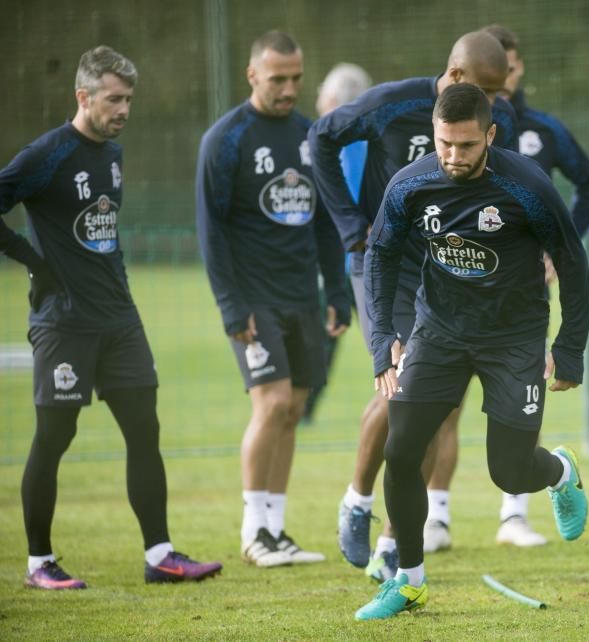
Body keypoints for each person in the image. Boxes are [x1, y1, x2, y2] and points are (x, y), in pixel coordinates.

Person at [355, 82, 589, 621]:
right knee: (401, 451)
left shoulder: (527, 185)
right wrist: (381, 339)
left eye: (465, 145)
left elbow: (573, 264)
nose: (454, 157)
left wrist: (569, 349)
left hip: (514, 339)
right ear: (432, 135)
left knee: (508, 472)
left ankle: (558, 472)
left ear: (490, 135)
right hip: (438, 332)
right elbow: (381, 256)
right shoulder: (409, 185)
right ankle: (408, 580)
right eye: (444, 145)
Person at [0, 46, 222, 589]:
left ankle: (161, 555)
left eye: (128, 99)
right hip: (65, 322)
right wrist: (35, 264)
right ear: (84, 96)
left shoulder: (113, 155)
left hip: (119, 321)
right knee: (55, 436)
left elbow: (103, 235)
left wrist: (119, 291)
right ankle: (39, 564)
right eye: (113, 99)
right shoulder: (46, 154)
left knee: (145, 432)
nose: (123, 108)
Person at [308, 31, 518, 582]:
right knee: (404, 383)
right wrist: (352, 224)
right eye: (485, 88)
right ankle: (356, 501)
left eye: (500, 92)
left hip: (447, 270)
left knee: (436, 406)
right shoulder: (392, 104)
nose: (495, 101)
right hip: (384, 265)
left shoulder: (498, 121)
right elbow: (322, 136)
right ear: (453, 76)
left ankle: (391, 545)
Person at [196, 30, 351, 567]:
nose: (289, 88)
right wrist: (230, 306)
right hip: (253, 298)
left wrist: (337, 291)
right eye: (278, 78)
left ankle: (277, 531)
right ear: (252, 75)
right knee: (274, 403)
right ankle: (252, 530)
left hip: (302, 297)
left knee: (295, 409)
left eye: (296, 78)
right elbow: (211, 231)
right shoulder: (226, 139)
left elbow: (329, 224)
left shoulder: (312, 136)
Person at [475, 24, 589, 547]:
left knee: (516, 403)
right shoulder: (449, 134)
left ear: (518, 69)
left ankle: (514, 516)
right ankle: (432, 519)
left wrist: (561, 242)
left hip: (522, 299)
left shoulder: (543, 131)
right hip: (454, 296)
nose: (499, 76)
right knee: (439, 404)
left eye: (506, 65)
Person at [300, 63, 374, 426]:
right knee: (385, 342)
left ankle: (302, 410)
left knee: (321, 342)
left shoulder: (326, 143)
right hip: (371, 259)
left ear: (330, 98)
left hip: (340, 261)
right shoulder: (374, 140)